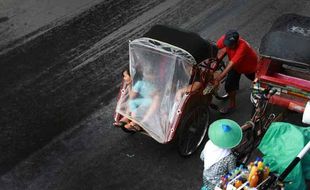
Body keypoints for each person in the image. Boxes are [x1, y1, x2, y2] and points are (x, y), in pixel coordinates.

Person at [213, 30, 258, 114]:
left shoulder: (243, 47)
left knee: (257, 83)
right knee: (229, 85)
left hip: (249, 67)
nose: (229, 47)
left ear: (237, 42)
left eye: (231, 45)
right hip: (236, 67)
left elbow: (231, 65)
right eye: (227, 45)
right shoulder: (224, 39)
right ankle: (232, 105)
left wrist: (218, 78)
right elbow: (214, 48)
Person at [200, 119, 242, 190]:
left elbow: (202, 157)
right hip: (218, 184)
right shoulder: (230, 158)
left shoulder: (209, 144)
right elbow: (232, 173)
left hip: (205, 177)